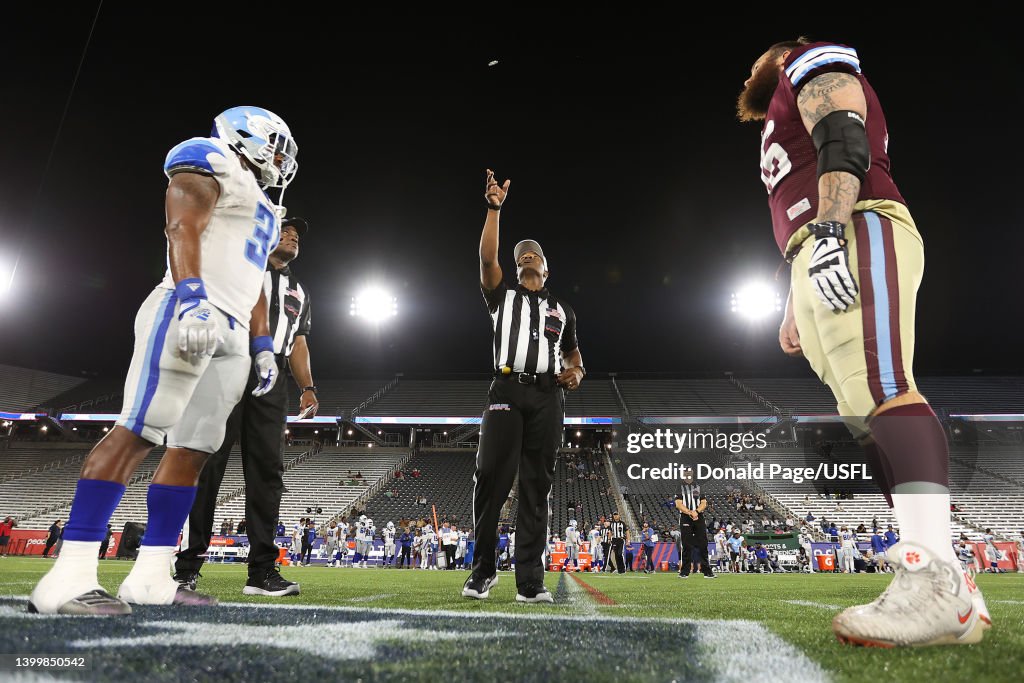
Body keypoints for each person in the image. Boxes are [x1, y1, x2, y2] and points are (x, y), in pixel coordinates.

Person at [739, 38, 988, 645]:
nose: (753, 66)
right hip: (816, 249)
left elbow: (844, 135)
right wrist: (796, 292)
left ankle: (935, 580)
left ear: (782, 53)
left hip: (856, 222)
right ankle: (944, 581)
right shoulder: (777, 106)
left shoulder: (809, 63)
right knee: (864, 417)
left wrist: (827, 231)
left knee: (885, 389)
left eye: (762, 57)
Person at [29, 106, 296, 616]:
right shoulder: (210, 156)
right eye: (277, 145)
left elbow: (254, 280)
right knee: (140, 429)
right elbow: (182, 226)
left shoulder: (264, 203)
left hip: (235, 327)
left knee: (194, 449)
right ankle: (67, 577)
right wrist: (192, 294)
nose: (282, 159)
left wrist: (263, 346)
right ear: (248, 136)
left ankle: (151, 575)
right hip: (189, 307)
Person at [463, 170, 584, 605]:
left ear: (547, 267)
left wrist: (577, 372)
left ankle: (531, 581)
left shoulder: (563, 310)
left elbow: (573, 356)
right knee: (491, 479)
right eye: (522, 255)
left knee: (537, 486)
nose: (527, 256)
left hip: (549, 396)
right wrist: (494, 209)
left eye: (534, 254)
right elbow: (486, 259)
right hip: (507, 391)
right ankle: (483, 571)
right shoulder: (502, 297)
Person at [175, 215, 313, 596]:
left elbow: (299, 340)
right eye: (284, 230)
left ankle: (262, 572)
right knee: (207, 464)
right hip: (228, 362)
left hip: (274, 379)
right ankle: (186, 567)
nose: (291, 237)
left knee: (268, 472)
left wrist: (308, 386)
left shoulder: (300, 290)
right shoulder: (239, 267)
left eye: (296, 235)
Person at [675, 476, 715, 579]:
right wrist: (690, 512)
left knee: (703, 544)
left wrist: (696, 512)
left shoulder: (698, 486)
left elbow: (703, 502)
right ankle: (684, 571)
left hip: (698, 516)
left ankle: (707, 571)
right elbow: (678, 504)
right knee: (686, 545)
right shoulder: (679, 487)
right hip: (685, 516)